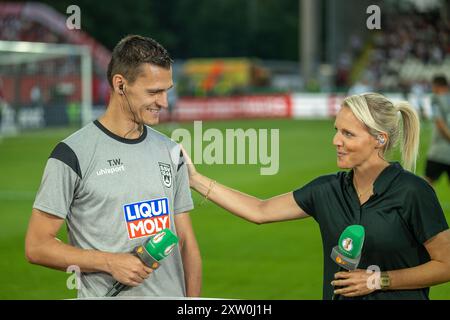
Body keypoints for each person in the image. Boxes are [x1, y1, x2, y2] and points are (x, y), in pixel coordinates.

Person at [182, 93, 450, 300]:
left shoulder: (413, 191)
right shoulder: (327, 190)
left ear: (379, 139)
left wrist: (379, 280)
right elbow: (260, 210)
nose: (336, 140)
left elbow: (446, 264)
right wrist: (195, 179)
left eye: (348, 133)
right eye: (336, 130)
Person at [25, 35, 202, 298]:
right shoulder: (72, 154)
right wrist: (110, 261)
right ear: (120, 85)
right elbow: (37, 246)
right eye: (154, 92)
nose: (164, 102)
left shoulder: (171, 151)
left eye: (167, 90)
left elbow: (186, 243)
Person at [425, 75, 450, 186]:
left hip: (439, 151)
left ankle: (424, 204)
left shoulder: (435, 99)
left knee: (427, 184)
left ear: (436, 85)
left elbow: (440, 123)